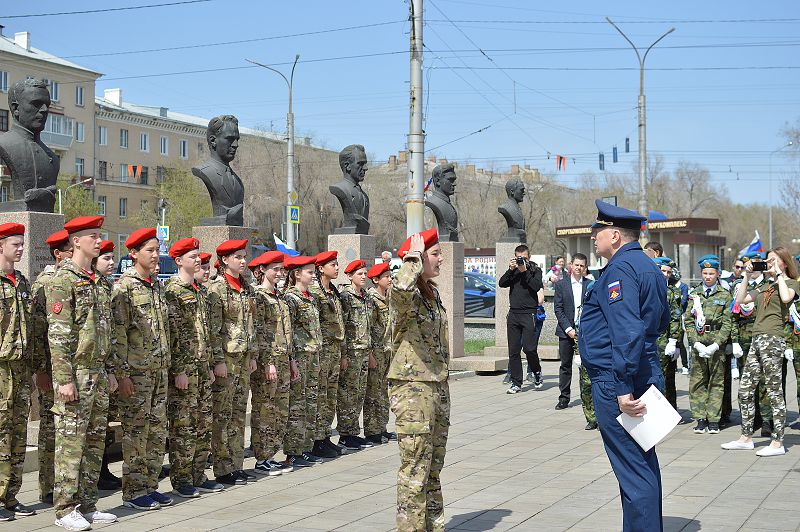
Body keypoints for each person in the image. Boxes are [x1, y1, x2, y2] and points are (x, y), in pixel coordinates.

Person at [579, 200, 669, 532]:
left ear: (615, 236)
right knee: (642, 465)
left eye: (598, 232)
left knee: (633, 470)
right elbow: (661, 322)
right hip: (644, 371)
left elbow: (627, 331)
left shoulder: (619, 270)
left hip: (620, 381)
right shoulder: (649, 266)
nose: (593, 237)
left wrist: (621, 387)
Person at [48, 216, 118, 530]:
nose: (98, 241)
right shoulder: (63, 279)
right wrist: (64, 380)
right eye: (92, 236)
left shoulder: (99, 281)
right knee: (70, 444)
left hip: (98, 372)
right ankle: (65, 509)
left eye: (99, 235)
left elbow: (107, 331)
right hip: (76, 373)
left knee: (94, 441)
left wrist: (110, 370)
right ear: (76, 241)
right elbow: (58, 335)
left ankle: (88, 505)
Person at [389, 229, 450, 532]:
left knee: (433, 468)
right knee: (415, 469)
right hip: (412, 390)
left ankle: (434, 526)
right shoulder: (406, 292)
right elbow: (401, 289)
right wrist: (411, 258)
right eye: (435, 253)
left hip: (436, 385)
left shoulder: (431, 293)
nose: (441, 259)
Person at [111, 228, 172, 510]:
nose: (156, 255)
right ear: (134, 254)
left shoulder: (156, 286)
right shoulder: (124, 288)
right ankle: (134, 491)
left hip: (158, 370)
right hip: (136, 374)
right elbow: (118, 335)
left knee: (157, 432)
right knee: (136, 432)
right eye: (150, 250)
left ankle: (149, 485)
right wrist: (122, 375)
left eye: (157, 250)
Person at [723, 247, 799, 457]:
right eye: (768, 260)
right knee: (745, 390)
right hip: (756, 339)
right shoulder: (765, 285)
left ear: (784, 262)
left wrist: (779, 274)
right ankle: (746, 437)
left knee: (774, 391)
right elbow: (741, 299)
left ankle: (778, 441)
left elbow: (786, 298)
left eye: (774, 260)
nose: (769, 263)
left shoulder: (791, 283)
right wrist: (746, 276)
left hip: (773, 339)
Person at [165, 237, 222, 497]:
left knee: (203, 423)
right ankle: (182, 478)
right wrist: (179, 370)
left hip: (201, 366)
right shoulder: (173, 291)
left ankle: (198, 473)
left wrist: (209, 364)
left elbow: (206, 333)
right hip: (185, 369)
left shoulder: (200, 291)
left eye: (198, 256)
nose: (198, 260)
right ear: (178, 261)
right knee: (184, 426)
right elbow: (174, 334)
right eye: (192, 256)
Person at [207, 239, 258, 485]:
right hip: (226, 359)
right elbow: (214, 329)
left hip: (243, 358)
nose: (243, 261)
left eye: (244, 256)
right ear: (225, 260)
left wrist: (252, 355)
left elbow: (251, 325)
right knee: (222, 415)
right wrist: (218, 361)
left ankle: (236, 464)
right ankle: (223, 467)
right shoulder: (217, 289)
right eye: (238, 257)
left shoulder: (246, 287)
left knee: (238, 414)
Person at [30, 229, 73, 505]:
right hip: (51, 368)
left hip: (67, 367)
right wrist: (42, 370)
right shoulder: (44, 283)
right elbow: (38, 331)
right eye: (70, 251)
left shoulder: (72, 279)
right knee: (49, 429)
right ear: (58, 254)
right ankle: (48, 485)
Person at [0, 223, 34, 523]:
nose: (21, 248)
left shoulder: (21, 282)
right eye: (15, 244)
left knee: (18, 434)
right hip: (1, 367)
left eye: (22, 243)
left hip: (21, 367)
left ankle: (10, 496)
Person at [249, 251, 293, 475]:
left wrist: (291, 361)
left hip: (283, 359)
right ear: (262, 270)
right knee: (264, 410)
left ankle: (271, 454)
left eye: (281, 269)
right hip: (269, 362)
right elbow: (259, 332)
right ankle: (261, 457)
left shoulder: (279, 296)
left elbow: (286, 332)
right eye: (274, 269)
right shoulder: (259, 297)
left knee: (280, 410)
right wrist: (267, 362)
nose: (279, 273)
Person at [282, 255, 322, 468]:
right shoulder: (291, 298)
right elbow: (288, 332)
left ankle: (306, 447)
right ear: (297, 274)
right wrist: (291, 360)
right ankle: (293, 451)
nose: (313, 275)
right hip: (299, 356)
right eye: (310, 272)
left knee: (311, 403)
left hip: (313, 355)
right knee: (297, 405)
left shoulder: (311, 297)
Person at [684, 257, 733, 435]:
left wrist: (717, 344)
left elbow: (728, 323)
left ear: (718, 274)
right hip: (698, 342)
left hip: (716, 344)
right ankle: (700, 418)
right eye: (705, 273)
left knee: (716, 382)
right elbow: (688, 321)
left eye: (711, 273)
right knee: (697, 382)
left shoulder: (725, 295)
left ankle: (713, 420)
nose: (708, 276)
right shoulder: (694, 294)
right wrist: (695, 342)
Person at [308, 251, 346, 458]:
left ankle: (324, 436)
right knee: (319, 396)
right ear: (321, 269)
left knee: (330, 396)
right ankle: (316, 440)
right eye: (333, 265)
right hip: (321, 352)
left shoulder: (333, 291)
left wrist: (343, 354)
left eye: (337, 264)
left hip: (335, 351)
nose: (337, 268)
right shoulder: (315, 292)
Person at [729, 252, 771, 435]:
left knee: (766, 380)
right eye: (748, 265)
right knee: (747, 381)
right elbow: (733, 315)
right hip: (745, 339)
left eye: (755, 264)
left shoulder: (769, 285)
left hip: (764, 336)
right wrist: (735, 341)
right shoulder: (740, 285)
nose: (751, 268)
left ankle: (767, 419)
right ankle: (750, 418)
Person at [94, 240, 123, 492]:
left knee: (104, 425)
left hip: (108, 367)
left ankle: (102, 472)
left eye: (113, 258)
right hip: (91, 368)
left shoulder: (106, 286)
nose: (112, 263)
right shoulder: (93, 286)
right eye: (106, 258)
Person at [337, 260, 375, 450]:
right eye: (359, 274)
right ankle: (345, 434)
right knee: (348, 393)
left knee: (359, 393)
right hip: (351, 351)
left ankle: (353, 431)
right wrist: (343, 354)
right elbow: (342, 327)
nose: (363, 276)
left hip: (363, 351)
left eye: (365, 273)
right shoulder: (346, 297)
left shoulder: (365, 296)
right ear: (350, 276)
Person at [499, 244, 544, 394]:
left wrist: (525, 271)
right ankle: (516, 382)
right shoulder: (514, 271)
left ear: (529, 257)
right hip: (514, 313)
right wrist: (511, 269)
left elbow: (536, 286)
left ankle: (536, 372)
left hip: (529, 314)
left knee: (529, 348)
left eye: (524, 258)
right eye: (519, 258)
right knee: (513, 350)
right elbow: (502, 283)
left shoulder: (535, 270)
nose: (521, 261)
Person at [364, 262, 396, 443]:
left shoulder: (388, 297)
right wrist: (370, 354)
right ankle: (372, 430)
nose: (390, 279)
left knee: (383, 391)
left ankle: (382, 427)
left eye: (391, 276)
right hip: (376, 351)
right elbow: (366, 328)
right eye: (387, 277)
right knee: (373, 392)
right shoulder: (371, 299)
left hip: (387, 350)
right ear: (376, 280)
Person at [554, 254, 591, 407]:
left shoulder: (590, 284)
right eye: (576, 265)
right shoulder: (561, 284)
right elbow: (558, 309)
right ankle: (564, 398)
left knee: (585, 366)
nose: (579, 268)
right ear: (571, 265)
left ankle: (587, 398)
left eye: (582, 265)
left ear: (585, 267)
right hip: (566, 331)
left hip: (585, 332)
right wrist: (568, 329)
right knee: (565, 365)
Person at [654, 257, 683, 411]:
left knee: (666, 377)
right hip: (648, 340)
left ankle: (669, 411)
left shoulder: (672, 292)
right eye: (663, 271)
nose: (665, 274)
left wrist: (673, 341)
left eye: (669, 272)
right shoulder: (647, 288)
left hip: (664, 341)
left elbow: (676, 318)